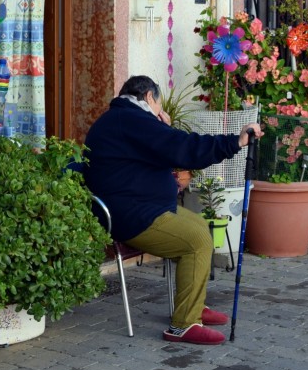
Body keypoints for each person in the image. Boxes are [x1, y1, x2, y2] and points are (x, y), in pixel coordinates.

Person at [84, 75, 261, 345]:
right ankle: (184, 324)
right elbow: (183, 148)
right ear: (149, 97)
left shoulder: (124, 119)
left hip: (140, 208)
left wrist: (161, 127)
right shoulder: (132, 121)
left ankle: (192, 304)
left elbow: (166, 147)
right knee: (196, 241)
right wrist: (234, 143)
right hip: (131, 216)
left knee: (201, 226)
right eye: (159, 105)